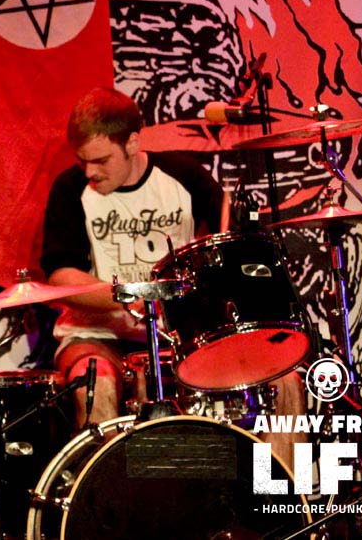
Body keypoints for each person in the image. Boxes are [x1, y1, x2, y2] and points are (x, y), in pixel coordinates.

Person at [38, 87, 305, 469]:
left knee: (285, 382)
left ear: (132, 143)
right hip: (98, 336)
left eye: (100, 160)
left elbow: (233, 249)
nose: (90, 172)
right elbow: (61, 277)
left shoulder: (184, 176)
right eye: (82, 161)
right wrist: (131, 296)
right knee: (93, 381)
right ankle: (108, 503)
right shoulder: (69, 189)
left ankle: (281, 499)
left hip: (180, 338)